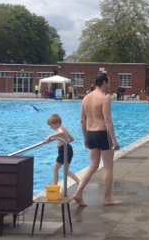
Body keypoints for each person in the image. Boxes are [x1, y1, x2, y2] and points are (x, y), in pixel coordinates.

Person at [72, 73, 121, 207]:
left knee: (93, 165)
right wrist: (114, 140)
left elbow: (83, 120)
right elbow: (107, 120)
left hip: (91, 134)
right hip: (102, 133)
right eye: (109, 82)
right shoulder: (105, 99)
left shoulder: (86, 98)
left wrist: (86, 138)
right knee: (108, 166)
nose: (110, 85)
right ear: (104, 82)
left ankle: (78, 192)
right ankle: (107, 198)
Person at [45, 114, 81, 189]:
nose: (52, 128)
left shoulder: (60, 129)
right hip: (68, 148)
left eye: (52, 126)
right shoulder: (64, 128)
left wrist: (50, 136)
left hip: (63, 150)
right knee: (65, 170)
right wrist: (65, 143)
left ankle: (54, 187)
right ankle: (78, 182)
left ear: (57, 123)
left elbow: (60, 133)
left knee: (55, 169)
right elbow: (72, 139)